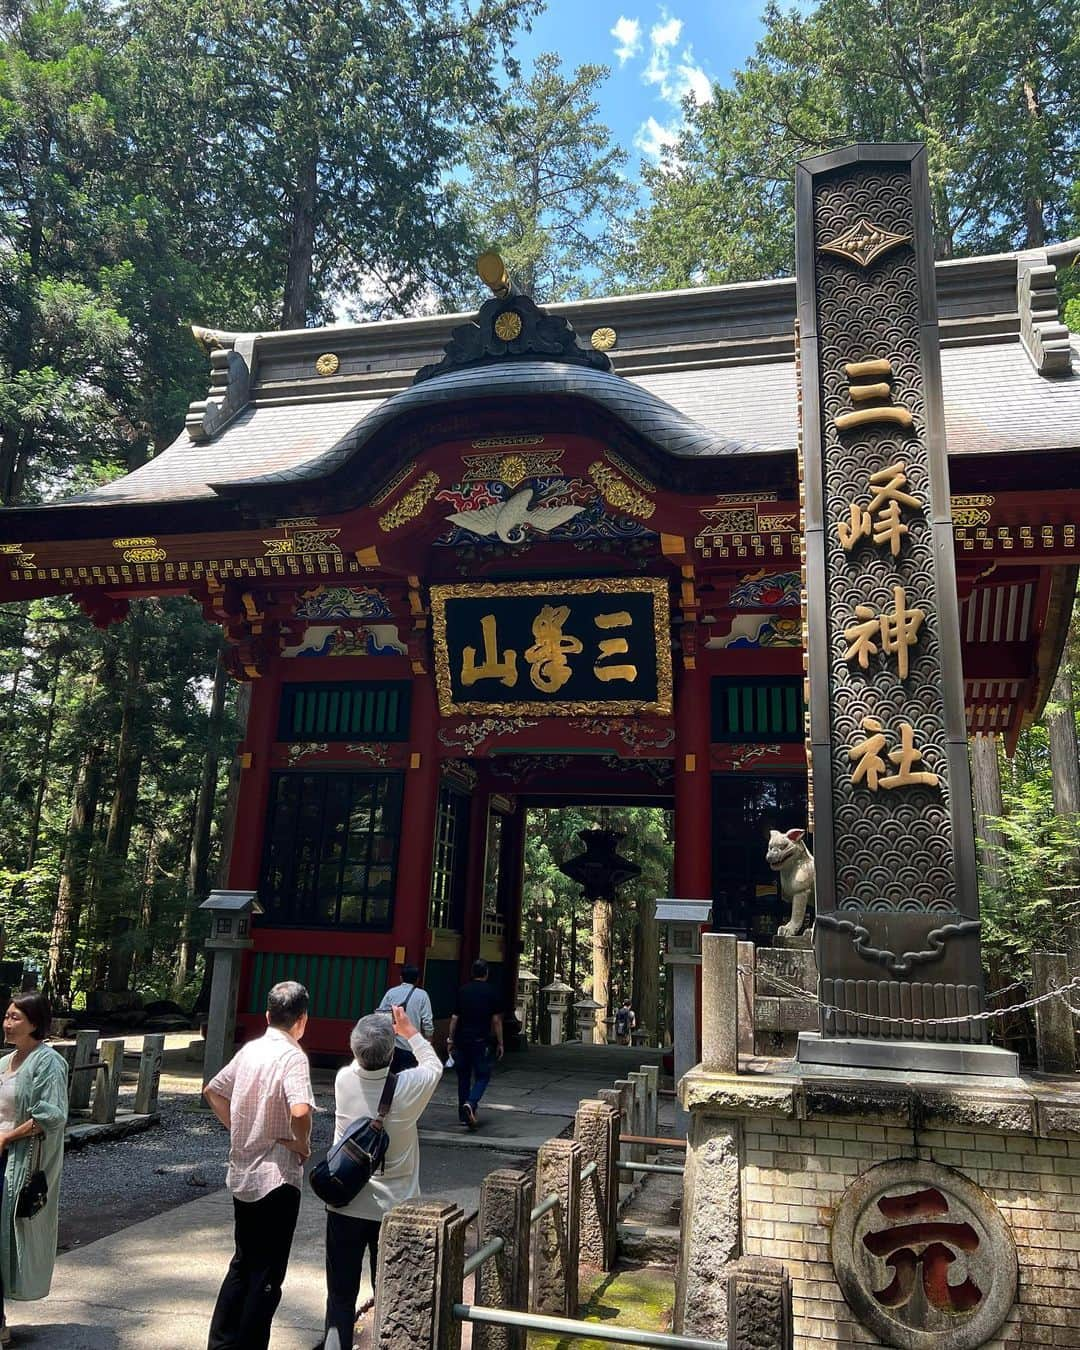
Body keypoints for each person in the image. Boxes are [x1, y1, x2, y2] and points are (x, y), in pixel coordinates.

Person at [321, 1002, 442, 1350]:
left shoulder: (344, 1079)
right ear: (393, 1053)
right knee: (392, 1292)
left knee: (340, 1297)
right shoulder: (409, 1087)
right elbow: (433, 1065)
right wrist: (409, 1031)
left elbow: (364, 1058)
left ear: (354, 1049)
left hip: (346, 1203)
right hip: (396, 1207)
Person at [204, 980, 315, 1350]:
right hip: (278, 1175)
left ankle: (221, 1342)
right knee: (267, 1274)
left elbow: (213, 1090)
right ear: (302, 1020)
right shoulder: (293, 1056)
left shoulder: (251, 1050)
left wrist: (238, 1127)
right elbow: (299, 1108)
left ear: (268, 1015)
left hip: (243, 1170)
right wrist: (301, 1142)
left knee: (242, 1262)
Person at [0, 992, 68, 1347]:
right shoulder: (5, 1061)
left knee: (4, 1239)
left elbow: (50, 1114)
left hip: (17, 1161)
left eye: (16, 1018)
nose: (8, 1023)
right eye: (7, 1016)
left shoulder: (47, 1063)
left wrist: (7, 1138)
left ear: (36, 1023)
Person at [447, 959, 503, 1130]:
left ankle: (464, 1116)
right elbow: (496, 1020)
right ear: (486, 973)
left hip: (462, 1040)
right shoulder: (491, 992)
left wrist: (450, 1039)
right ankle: (471, 1103)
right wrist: (500, 1042)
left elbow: (455, 1018)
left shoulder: (463, 990)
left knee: (463, 1077)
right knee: (483, 1075)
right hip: (480, 1041)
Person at [375, 963, 434, 1072]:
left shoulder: (391, 993)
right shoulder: (422, 995)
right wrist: (428, 1040)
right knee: (408, 1080)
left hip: (391, 1045)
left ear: (401, 978)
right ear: (418, 979)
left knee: (390, 1079)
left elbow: (380, 1016)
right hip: (411, 1045)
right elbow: (427, 1021)